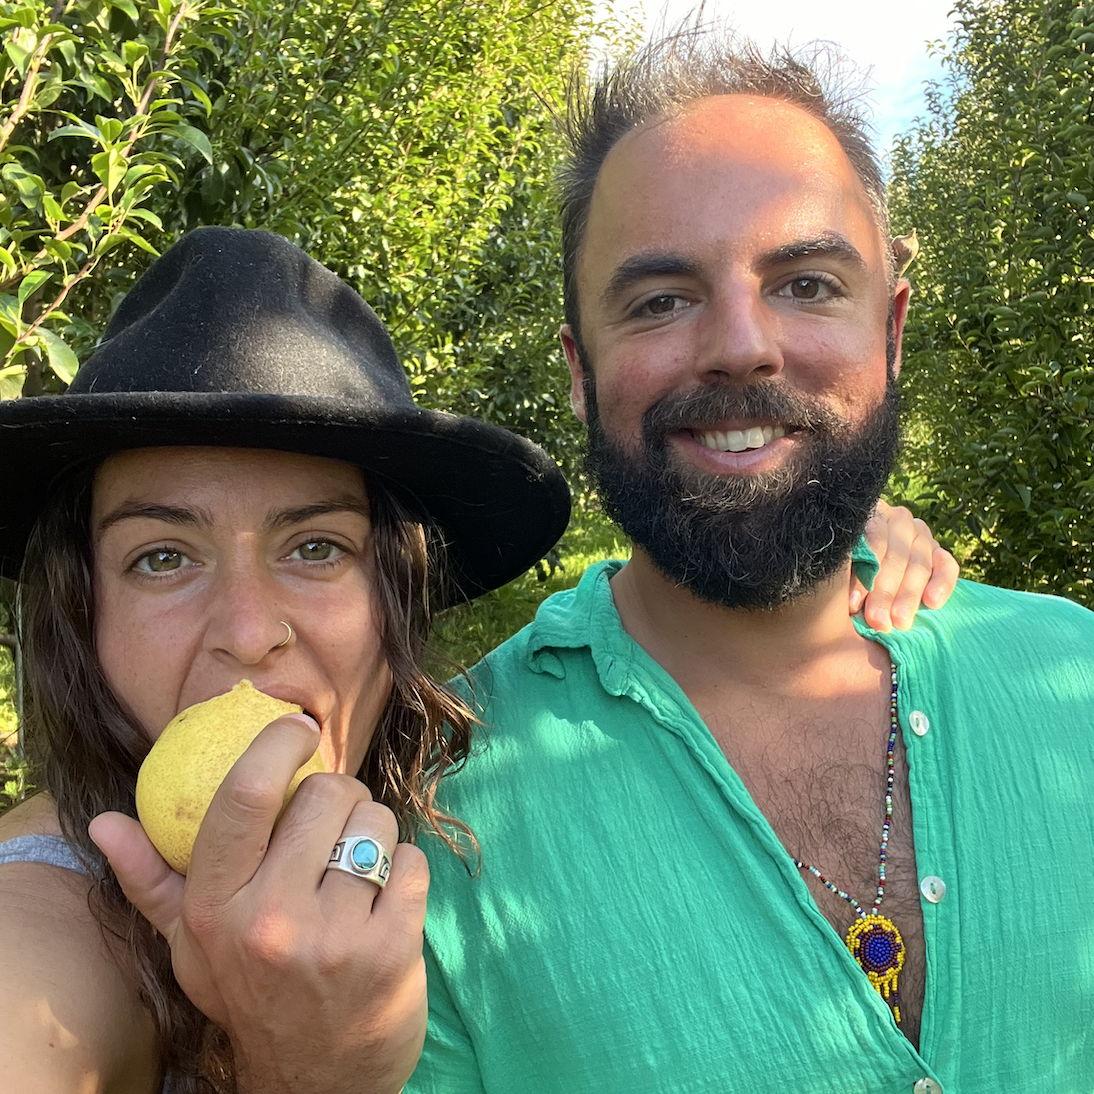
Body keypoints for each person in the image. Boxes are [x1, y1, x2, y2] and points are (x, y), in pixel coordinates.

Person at [0, 225, 948, 1093]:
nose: (249, 633)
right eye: (162, 558)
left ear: (395, 596)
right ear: (84, 613)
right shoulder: (45, 927)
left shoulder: (452, 793)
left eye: (316, 547)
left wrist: (812, 537)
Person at [407, 33, 1094, 1094]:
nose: (740, 344)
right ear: (580, 370)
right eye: (660, 299)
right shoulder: (440, 810)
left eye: (806, 283)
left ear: (891, 331)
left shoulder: (1072, 676)